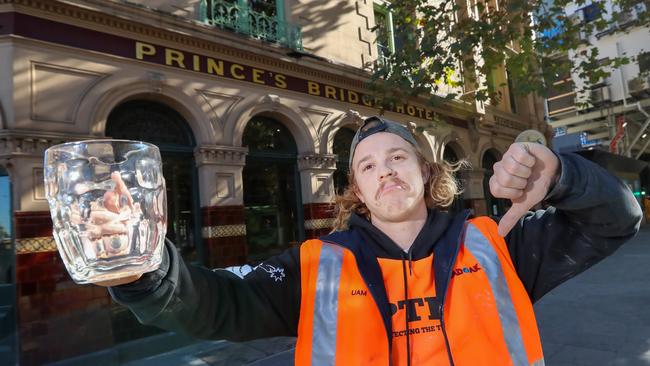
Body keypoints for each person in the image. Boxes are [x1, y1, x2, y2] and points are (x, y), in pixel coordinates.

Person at [99, 116, 642, 365]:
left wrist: (562, 173)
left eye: (397, 157)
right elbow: (213, 304)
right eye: (368, 165)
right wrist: (145, 270)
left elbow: (618, 218)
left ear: (427, 172)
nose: (384, 171)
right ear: (354, 188)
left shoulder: (499, 244)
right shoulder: (315, 267)